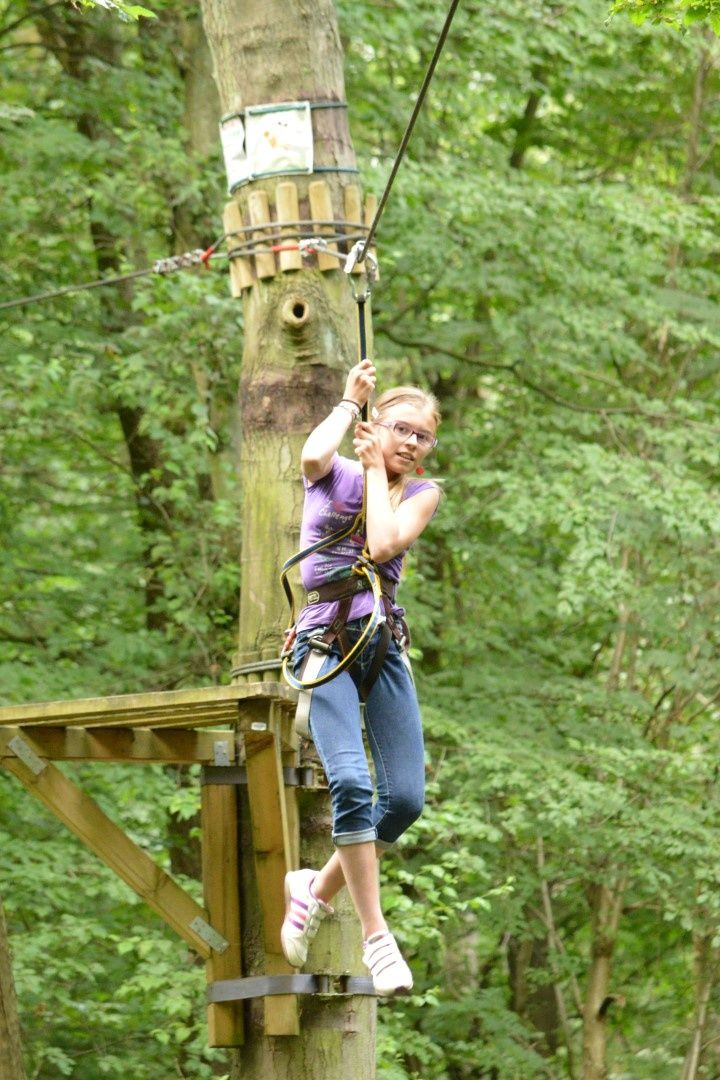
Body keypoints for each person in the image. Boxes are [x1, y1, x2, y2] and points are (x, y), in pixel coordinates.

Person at [280, 358, 441, 997]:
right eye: (400, 429)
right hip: (326, 644)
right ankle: (377, 939)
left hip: (381, 647)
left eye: (422, 436)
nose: (411, 442)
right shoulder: (337, 473)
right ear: (376, 426)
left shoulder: (421, 494)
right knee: (349, 781)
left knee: (403, 801)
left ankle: (314, 890)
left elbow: (381, 546)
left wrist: (378, 470)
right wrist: (349, 403)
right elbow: (311, 454)